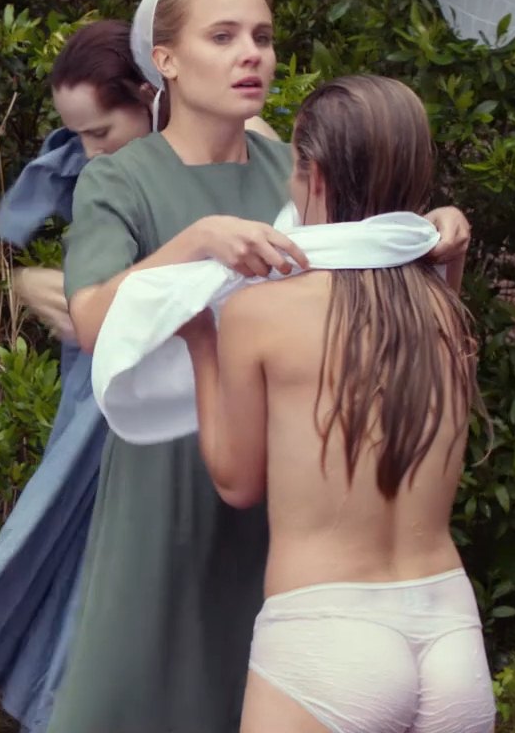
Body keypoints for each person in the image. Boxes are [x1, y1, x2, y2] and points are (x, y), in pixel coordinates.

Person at [52, 0, 472, 732]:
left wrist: (432, 231)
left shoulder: (299, 167)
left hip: (302, 504)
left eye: (263, 37)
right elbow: (90, 324)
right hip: (167, 489)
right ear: (167, 60)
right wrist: (195, 242)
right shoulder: (119, 180)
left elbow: (378, 289)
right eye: (224, 37)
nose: (252, 54)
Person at [0, 19, 276, 731]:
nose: (89, 150)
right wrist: (44, 286)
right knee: (95, 600)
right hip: (119, 422)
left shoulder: (252, 152)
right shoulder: (118, 176)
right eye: (78, 135)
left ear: (151, 95)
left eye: (99, 131)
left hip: (216, 423)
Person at [182, 74, 494, 732]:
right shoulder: (441, 308)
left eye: (295, 167)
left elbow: (237, 482)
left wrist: (201, 342)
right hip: (448, 627)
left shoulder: (260, 313)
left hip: (327, 634)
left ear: (315, 177)